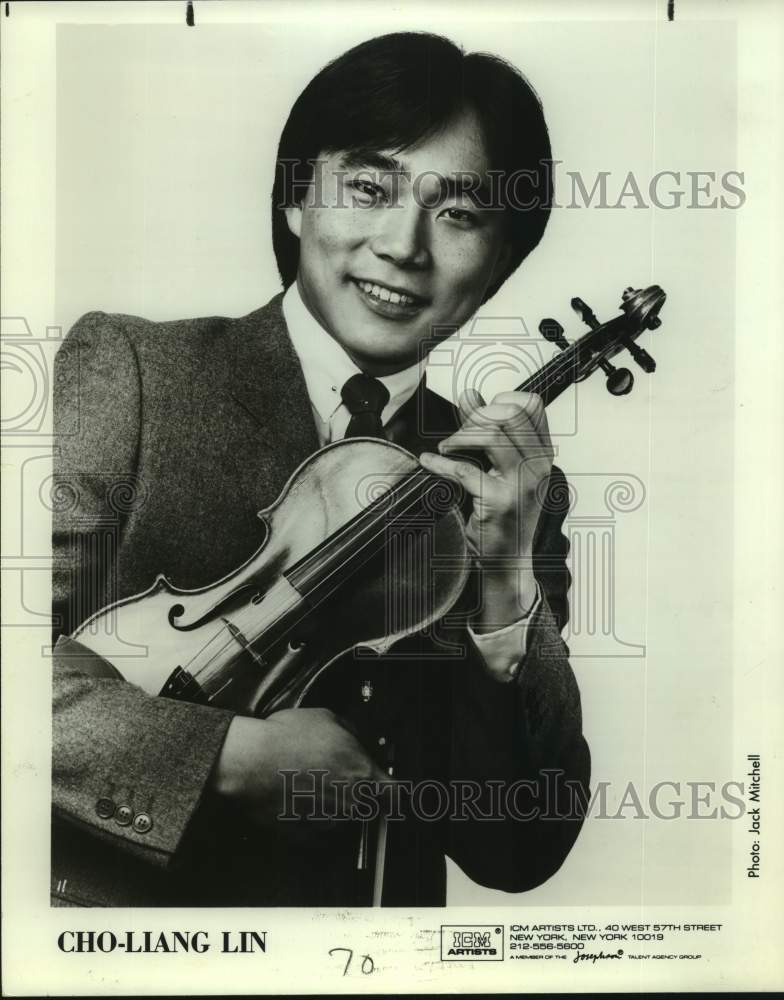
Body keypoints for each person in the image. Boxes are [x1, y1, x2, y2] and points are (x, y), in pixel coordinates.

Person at [51, 31, 590, 907]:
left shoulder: (511, 490)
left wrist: (507, 583)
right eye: (369, 189)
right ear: (297, 196)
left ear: (500, 263)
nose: (404, 246)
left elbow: (518, 847)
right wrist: (218, 757)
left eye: (459, 215)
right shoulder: (137, 374)